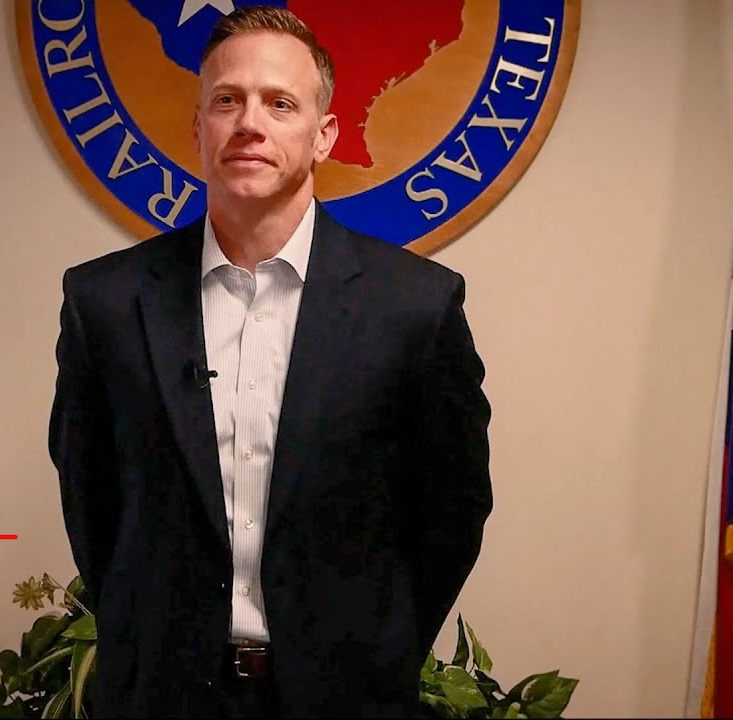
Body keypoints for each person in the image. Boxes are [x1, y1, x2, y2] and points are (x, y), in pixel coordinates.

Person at [49, 6, 492, 717]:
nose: (249, 123)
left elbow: (451, 512)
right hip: (158, 697)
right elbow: (91, 504)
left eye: (280, 103)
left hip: (347, 700)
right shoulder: (104, 303)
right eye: (227, 100)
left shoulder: (416, 307)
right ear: (198, 129)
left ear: (324, 135)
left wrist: (378, 654)